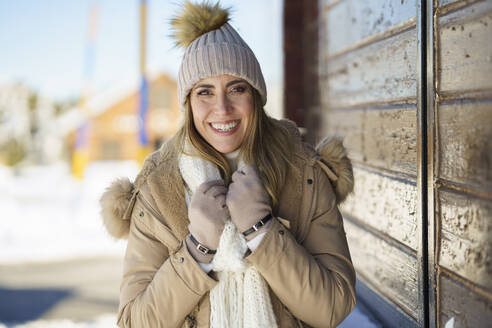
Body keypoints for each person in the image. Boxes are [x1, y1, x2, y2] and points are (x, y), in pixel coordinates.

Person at [100, 1, 356, 327]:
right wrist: (197, 249)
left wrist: (262, 230)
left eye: (236, 88)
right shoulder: (157, 188)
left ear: (256, 97)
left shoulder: (304, 172)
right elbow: (134, 322)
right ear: (189, 104)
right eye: (205, 92)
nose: (222, 108)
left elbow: (332, 307)